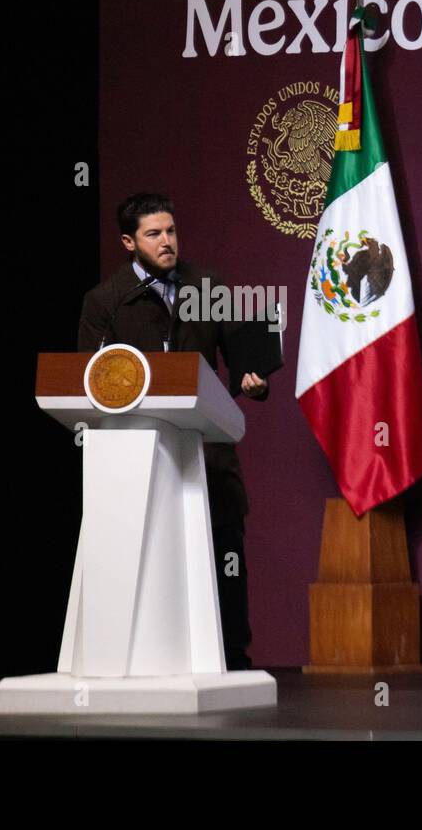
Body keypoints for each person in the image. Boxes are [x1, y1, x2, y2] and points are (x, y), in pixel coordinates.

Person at [76, 192, 267, 671]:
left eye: (172, 231)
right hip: (137, 457)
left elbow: (242, 353)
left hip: (207, 453)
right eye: (154, 234)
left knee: (224, 555)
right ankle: (146, 660)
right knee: (150, 560)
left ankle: (232, 660)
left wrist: (253, 379)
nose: (167, 242)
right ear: (128, 241)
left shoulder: (207, 284)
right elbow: (87, 379)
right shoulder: (105, 301)